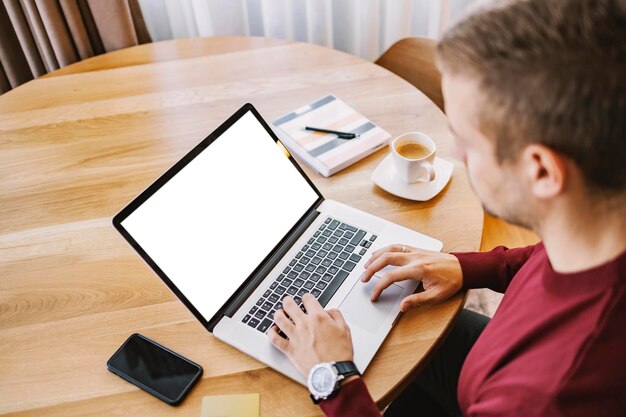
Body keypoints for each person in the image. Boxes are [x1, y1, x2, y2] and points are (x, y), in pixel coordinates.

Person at [267, 0, 626, 415]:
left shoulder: (544, 396)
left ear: (542, 171)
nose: (456, 152)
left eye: (468, 141)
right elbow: (544, 259)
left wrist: (332, 377)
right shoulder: (599, 224)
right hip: (493, 360)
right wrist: (469, 267)